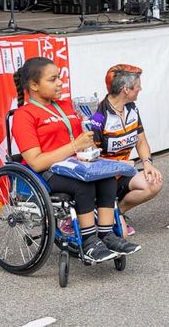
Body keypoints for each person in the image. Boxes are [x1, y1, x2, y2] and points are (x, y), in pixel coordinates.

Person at [11, 57, 141, 262]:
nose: (60, 83)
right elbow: (35, 161)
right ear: (34, 86)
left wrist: (91, 144)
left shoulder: (66, 106)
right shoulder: (24, 115)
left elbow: (88, 133)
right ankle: (89, 241)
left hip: (76, 164)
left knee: (106, 177)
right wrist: (74, 146)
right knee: (85, 185)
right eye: (53, 79)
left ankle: (106, 235)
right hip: (47, 171)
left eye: (59, 78)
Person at [91, 64, 163, 237]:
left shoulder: (131, 108)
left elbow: (141, 141)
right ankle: (102, 212)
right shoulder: (98, 116)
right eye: (138, 86)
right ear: (125, 89)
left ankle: (118, 211)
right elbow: (91, 157)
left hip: (123, 173)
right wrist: (118, 165)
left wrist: (147, 164)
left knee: (154, 183)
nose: (141, 88)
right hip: (103, 178)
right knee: (121, 235)